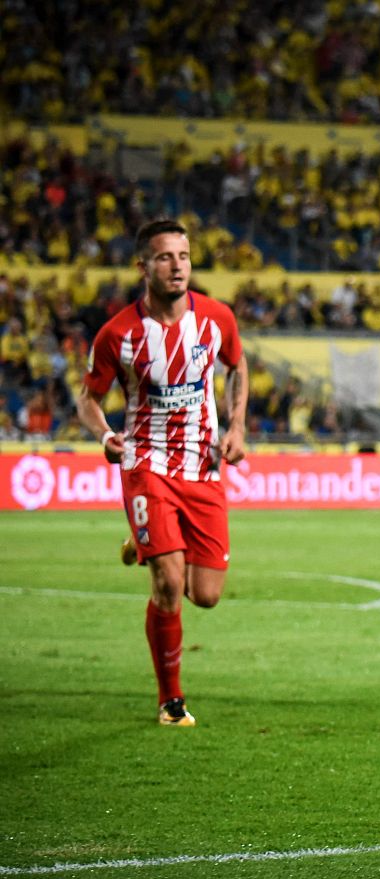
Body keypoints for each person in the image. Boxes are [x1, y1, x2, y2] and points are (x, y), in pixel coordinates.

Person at [77, 219, 249, 726]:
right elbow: (88, 398)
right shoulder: (118, 334)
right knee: (169, 584)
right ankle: (171, 701)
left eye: (183, 256)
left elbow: (238, 366)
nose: (177, 266)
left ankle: (145, 541)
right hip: (147, 463)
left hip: (202, 466)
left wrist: (236, 426)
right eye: (165, 257)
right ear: (143, 267)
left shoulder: (216, 318)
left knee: (206, 596)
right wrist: (106, 436)